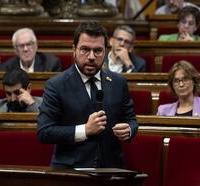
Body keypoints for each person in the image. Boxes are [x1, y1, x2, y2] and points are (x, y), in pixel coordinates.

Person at [37, 21, 138, 169]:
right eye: (85, 49)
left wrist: (129, 130)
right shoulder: (56, 85)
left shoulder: (118, 83)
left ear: (105, 51)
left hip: (111, 171)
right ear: (74, 50)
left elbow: (131, 120)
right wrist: (85, 130)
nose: (91, 57)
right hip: (71, 173)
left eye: (97, 51)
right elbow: (44, 132)